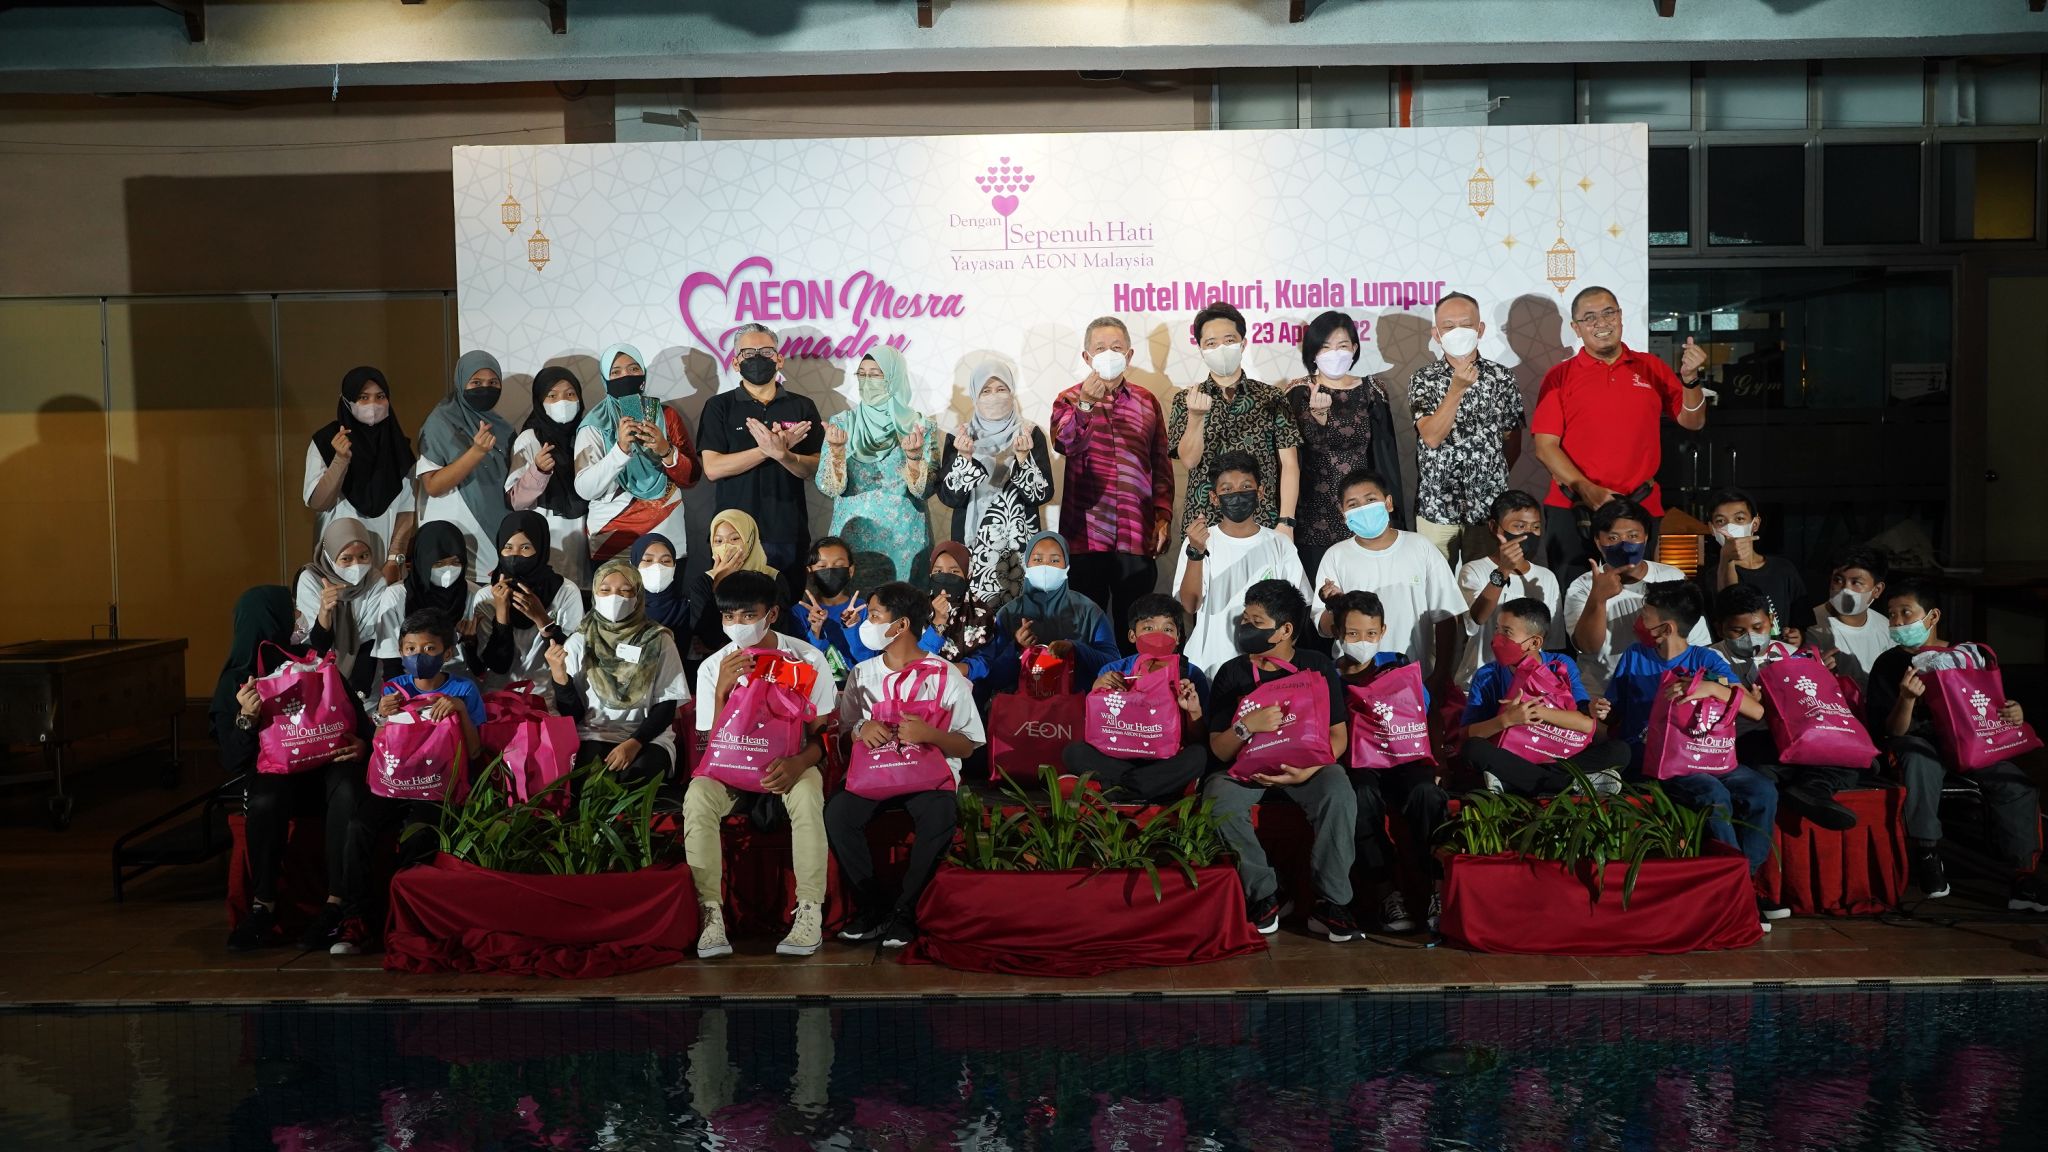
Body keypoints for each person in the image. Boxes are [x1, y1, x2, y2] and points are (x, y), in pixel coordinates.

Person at [1864, 580, 2045, 910]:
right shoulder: (1888, 665)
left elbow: (1993, 706)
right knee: (1918, 759)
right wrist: (1906, 699)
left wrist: (2014, 712)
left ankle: (2024, 877)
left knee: (2016, 784)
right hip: (1919, 743)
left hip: (1971, 743)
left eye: (1906, 613)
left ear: (1932, 616)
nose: (1898, 622)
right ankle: (1927, 852)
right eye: (1892, 615)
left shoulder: (1967, 657)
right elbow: (1891, 731)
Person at [1602, 582, 1778, 919]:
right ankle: (1735, 889)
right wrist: (1603, 711)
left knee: (1762, 789)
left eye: (1645, 615)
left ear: (1666, 627)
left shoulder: (1705, 659)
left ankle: (1743, 881)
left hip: (1707, 753)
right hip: (1658, 760)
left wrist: (1711, 687)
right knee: (1713, 794)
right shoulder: (1634, 657)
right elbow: (1614, 714)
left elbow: (1755, 710)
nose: (1640, 621)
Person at [686, 570, 837, 960]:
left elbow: (824, 736)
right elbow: (712, 746)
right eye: (729, 617)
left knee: (807, 793)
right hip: (731, 770)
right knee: (698, 795)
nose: (737, 625)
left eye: (748, 615)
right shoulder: (713, 666)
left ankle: (809, 910)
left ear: (771, 614)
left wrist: (798, 763)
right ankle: (709, 913)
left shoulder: (806, 659)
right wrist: (722, 690)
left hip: (789, 765)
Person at [829, 581, 987, 948]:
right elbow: (843, 734)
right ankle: (873, 908)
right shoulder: (862, 673)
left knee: (939, 815)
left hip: (928, 776)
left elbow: (968, 745)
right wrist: (860, 730)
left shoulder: (945, 674)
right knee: (838, 813)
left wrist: (931, 734)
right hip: (874, 774)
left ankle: (906, 912)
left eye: (874, 616)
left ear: (900, 625)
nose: (866, 624)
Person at [217, 586, 372, 953]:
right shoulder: (237, 680)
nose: (297, 618)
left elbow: (359, 722)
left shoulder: (309, 661)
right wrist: (246, 718)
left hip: (326, 769)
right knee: (265, 800)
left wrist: (362, 745)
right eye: (290, 611)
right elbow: (233, 760)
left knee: (348, 788)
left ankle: (336, 905)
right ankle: (263, 907)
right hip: (276, 773)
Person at [1203, 579, 1359, 941]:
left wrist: (1307, 771)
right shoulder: (1232, 672)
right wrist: (1247, 726)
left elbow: (1338, 737)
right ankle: (1264, 894)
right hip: (1246, 771)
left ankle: (1332, 902)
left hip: (1308, 767)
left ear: (1285, 630)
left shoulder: (1316, 666)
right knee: (1217, 797)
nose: (1246, 628)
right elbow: (1219, 749)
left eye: (1256, 622)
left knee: (1338, 791)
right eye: (1245, 620)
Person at [336, 609, 487, 954]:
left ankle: (404, 920)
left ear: (447, 653)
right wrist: (381, 716)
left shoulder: (463, 689)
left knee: (419, 833)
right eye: (410, 649)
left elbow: (476, 750)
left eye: (429, 649)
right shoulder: (394, 688)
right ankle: (356, 920)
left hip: (437, 788)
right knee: (358, 826)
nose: (419, 656)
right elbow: (382, 744)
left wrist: (459, 710)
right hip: (395, 783)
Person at [1530, 286, 1709, 576]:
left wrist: (1690, 380)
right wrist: (1586, 488)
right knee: (1574, 595)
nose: (1601, 323)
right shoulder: (1559, 376)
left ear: (1620, 316)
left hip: (1639, 505)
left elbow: (1693, 421)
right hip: (1573, 507)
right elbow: (1545, 446)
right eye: (1589, 317)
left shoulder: (1651, 367)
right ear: (1576, 328)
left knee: (1636, 595)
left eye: (1608, 313)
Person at [1049, 315, 1174, 645]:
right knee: (1086, 632)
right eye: (1100, 348)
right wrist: (1085, 405)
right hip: (1085, 536)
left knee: (1134, 629)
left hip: (1136, 533)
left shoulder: (1147, 401)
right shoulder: (1068, 399)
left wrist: (1163, 516)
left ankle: (1135, 679)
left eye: (1116, 348)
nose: (1109, 354)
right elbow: (1064, 444)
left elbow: (1160, 463)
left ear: (1129, 355)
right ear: (1086, 357)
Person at [1331, 591, 1449, 934]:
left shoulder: (1398, 666)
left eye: (1371, 633)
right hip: (1359, 763)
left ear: (1382, 631)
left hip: (1405, 758)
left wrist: (1439, 761)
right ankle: (1387, 893)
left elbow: (1428, 713)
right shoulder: (1328, 676)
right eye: (1353, 634)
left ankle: (1436, 891)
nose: (1362, 641)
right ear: (1338, 633)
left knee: (1428, 795)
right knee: (1359, 797)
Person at [1711, 583, 1859, 833]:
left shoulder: (1790, 654)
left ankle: (1811, 790)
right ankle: (1808, 787)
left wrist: (1820, 674)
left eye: (1758, 627)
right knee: (1763, 770)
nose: (1751, 636)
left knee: (1851, 759)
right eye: (1738, 631)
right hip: (1747, 739)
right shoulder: (1710, 659)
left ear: (1771, 621)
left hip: (1797, 736)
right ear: (1720, 628)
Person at [1459, 597, 1631, 798]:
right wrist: (1506, 720)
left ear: (1534, 642)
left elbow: (1584, 723)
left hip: (1560, 755)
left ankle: (1516, 782)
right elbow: (1467, 735)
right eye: (1497, 629)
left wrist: (1536, 712)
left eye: (1507, 632)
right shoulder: (1487, 675)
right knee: (1473, 749)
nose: (1497, 638)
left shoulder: (1560, 664)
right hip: (1513, 756)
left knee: (1620, 750)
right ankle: (1571, 784)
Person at [544, 558, 691, 784]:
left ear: (638, 596)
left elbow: (666, 705)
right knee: (590, 781)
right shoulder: (579, 641)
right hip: (593, 733)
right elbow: (572, 715)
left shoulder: (658, 640)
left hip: (648, 736)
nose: (615, 597)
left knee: (637, 777)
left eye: (625, 591)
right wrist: (559, 676)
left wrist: (634, 743)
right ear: (595, 594)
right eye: (605, 590)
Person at [1312, 468, 1464, 684]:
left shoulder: (1420, 547)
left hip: (1414, 677)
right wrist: (1334, 606)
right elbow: (1323, 627)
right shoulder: (1335, 556)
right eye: (1353, 504)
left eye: (1370, 500)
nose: (1363, 509)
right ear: (1342, 512)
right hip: (1354, 681)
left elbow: (1446, 614)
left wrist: (1441, 674)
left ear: (1388, 502)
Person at [1409, 292, 1527, 566]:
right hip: (1436, 506)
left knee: (1486, 581)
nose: (1458, 332)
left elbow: (1512, 441)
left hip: (1488, 508)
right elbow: (1432, 437)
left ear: (1480, 329)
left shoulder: (1502, 377)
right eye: (1449, 327)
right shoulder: (1423, 378)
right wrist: (1456, 389)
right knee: (1435, 587)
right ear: (1437, 334)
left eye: (1466, 325)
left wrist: (1489, 477)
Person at [1173, 450, 1316, 676]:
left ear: (1260, 492)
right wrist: (1196, 553)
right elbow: (1190, 606)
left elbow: (1298, 608)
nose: (1237, 494)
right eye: (1227, 489)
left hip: (1267, 665)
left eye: (1246, 486)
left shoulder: (1280, 543)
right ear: (1214, 497)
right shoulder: (1199, 542)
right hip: (1210, 663)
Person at [695, 323, 823, 575]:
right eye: (748, 353)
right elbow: (713, 468)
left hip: (788, 532)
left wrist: (784, 456)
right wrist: (767, 450)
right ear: (735, 363)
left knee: (787, 599)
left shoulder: (802, 407)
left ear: (779, 360)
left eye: (766, 352)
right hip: (733, 535)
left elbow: (815, 468)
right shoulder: (719, 406)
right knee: (735, 600)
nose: (757, 358)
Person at [1286, 310, 1405, 580]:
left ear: (1354, 348)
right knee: (1320, 592)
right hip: (1313, 514)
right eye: (1325, 347)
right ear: (1313, 352)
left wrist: (1391, 513)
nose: (1335, 353)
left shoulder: (1373, 390)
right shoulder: (1297, 392)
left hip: (1363, 512)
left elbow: (1385, 457)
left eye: (1342, 346)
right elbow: (1294, 455)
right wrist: (1318, 419)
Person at [1060, 593, 1211, 804]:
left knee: (1199, 755)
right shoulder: (1114, 670)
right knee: (1074, 752)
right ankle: (1156, 789)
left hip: (1165, 759)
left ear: (1178, 637)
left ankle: (1113, 790)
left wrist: (1193, 710)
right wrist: (1097, 690)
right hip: (1117, 757)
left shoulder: (1190, 674)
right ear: (1132, 635)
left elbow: (1198, 738)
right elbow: (1094, 728)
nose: (1158, 635)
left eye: (1167, 629)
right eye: (1148, 628)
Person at [1168, 301, 1301, 538]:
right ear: (1201, 349)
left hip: (1262, 519)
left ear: (1243, 343)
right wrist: (1196, 417)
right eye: (1211, 343)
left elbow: (1289, 463)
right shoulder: (1185, 400)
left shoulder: (1272, 397)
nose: (1221, 348)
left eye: (1229, 340)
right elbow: (1188, 461)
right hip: (1204, 523)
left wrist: (1286, 521)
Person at [816, 346, 942, 589]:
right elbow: (829, 488)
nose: (867, 381)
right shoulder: (842, 423)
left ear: (894, 378)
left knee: (902, 606)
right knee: (853, 607)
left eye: (875, 375)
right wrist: (837, 451)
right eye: (862, 374)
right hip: (852, 537)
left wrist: (914, 458)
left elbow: (925, 490)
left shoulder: (919, 426)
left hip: (905, 540)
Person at [1564, 500, 1709, 697]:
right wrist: (1598, 598)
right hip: (1602, 695)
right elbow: (1587, 646)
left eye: (1633, 536)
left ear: (1646, 537)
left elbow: (1697, 641)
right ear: (1598, 541)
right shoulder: (1582, 586)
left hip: (1663, 692)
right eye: (1613, 538)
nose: (1625, 545)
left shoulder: (1671, 576)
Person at [574, 341, 701, 566]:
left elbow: (691, 478)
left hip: (665, 534)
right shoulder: (594, 425)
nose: (626, 376)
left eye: (633, 369)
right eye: (616, 372)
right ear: (604, 379)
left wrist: (666, 451)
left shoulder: (666, 416)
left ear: (643, 373)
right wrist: (620, 451)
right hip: (613, 537)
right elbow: (585, 489)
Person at [937, 359, 1052, 604]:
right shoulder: (959, 437)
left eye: (1001, 389)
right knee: (973, 613)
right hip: (972, 543)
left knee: (1019, 612)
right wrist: (964, 458)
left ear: (1012, 392)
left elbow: (1041, 495)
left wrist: (1023, 459)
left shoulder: (1030, 433)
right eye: (986, 391)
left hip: (1018, 544)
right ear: (974, 396)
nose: (994, 397)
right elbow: (949, 497)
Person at [416, 350, 513, 580]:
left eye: (493, 383)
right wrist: (476, 452)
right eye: (476, 382)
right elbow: (433, 486)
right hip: (457, 533)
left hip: (497, 532)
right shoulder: (440, 423)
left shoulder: (503, 427)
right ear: (461, 383)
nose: (485, 389)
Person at [303, 365, 415, 563]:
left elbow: (406, 510)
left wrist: (394, 559)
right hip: (337, 561)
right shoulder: (326, 441)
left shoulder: (398, 446)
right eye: (363, 397)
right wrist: (340, 460)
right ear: (347, 401)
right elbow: (319, 502)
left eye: (380, 396)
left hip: (383, 560)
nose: (373, 405)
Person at [1455, 490, 1562, 689]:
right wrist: (1503, 571)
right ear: (1495, 527)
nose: (1528, 534)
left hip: (1528, 687)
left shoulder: (1546, 577)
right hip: (1481, 684)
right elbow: (1477, 618)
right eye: (1519, 526)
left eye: (1536, 527)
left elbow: (1552, 641)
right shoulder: (1474, 570)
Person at [993, 531, 1122, 688]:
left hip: (1076, 700)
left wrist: (1075, 649)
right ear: (1026, 565)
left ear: (1067, 566)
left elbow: (1113, 664)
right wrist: (1017, 646)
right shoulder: (1008, 614)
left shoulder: (1089, 611)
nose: (1045, 566)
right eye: (1038, 559)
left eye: (1055, 560)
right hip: (1020, 701)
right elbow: (993, 676)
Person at [292, 516, 402, 695]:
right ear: (330, 556)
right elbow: (317, 645)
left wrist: (358, 693)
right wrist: (325, 612)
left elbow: (369, 639)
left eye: (363, 556)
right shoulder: (311, 579)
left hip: (363, 674)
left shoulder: (375, 580)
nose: (356, 565)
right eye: (346, 559)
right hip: (316, 674)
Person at [473, 510, 582, 690]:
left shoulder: (565, 592)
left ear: (540, 549)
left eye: (525, 548)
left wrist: (542, 619)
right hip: (497, 695)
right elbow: (497, 664)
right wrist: (502, 614)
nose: (515, 556)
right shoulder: (486, 596)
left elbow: (572, 655)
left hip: (545, 694)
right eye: (508, 547)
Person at [506, 365, 591, 587]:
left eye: (570, 394)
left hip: (583, 540)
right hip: (546, 538)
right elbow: (515, 501)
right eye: (552, 396)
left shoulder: (587, 434)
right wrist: (538, 471)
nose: (562, 402)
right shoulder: (529, 439)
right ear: (539, 401)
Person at [1705, 488, 1809, 642]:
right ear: (1712, 529)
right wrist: (1727, 558)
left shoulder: (1783, 569)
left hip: (1780, 653)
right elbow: (1731, 607)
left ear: (1755, 524)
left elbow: (1802, 619)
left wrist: (1799, 635)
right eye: (1721, 521)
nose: (1730, 527)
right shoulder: (1713, 576)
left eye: (1739, 519)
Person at [680, 509, 785, 658]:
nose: (726, 546)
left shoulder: (773, 578)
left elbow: (780, 631)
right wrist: (718, 586)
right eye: (718, 541)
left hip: (767, 660)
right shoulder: (703, 583)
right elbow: (706, 639)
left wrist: (725, 647)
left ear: (750, 540)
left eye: (734, 539)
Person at [918, 540, 1010, 692]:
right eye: (938, 572)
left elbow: (986, 661)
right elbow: (914, 659)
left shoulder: (981, 614)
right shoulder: (918, 610)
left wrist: (953, 670)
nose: (945, 577)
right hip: (923, 690)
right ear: (930, 574)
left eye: (954, 572)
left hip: (967, 692)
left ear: (968, 575)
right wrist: (938, 623)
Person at [788, 536, 879, 682]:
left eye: (838, 565)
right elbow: (801, 663)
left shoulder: (864, 610)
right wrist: (815, 629)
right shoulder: (799, 612)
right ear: (810, 572)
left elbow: (868, 661)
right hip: (817, 688)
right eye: (822, 566)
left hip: (858, 686)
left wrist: (853, 628)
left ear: (850, 570)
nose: (830, 571)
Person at [1805, 546, 1896, 689]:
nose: (1845, 589)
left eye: (1856, 583)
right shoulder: (1808, 625)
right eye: (1838, 580)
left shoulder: (1886, 628)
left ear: (1877, 590)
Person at [400, 521, 478, 675]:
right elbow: (391, 663)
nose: (448, 571)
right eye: (438, 563)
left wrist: (470, 642)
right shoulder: (398, 596)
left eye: (456, 562)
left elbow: (480, 668)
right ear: (422, 561)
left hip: (459, 680)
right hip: (408, 681)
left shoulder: (475, 595)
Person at [630, 530, 690, 643]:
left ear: (674, 567)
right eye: (648, 560)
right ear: (634, 565)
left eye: (666, 561)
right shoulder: (623, 609)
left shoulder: (688, 609)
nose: (657, 567)